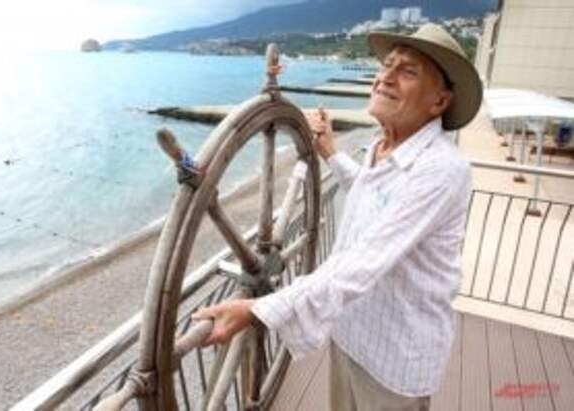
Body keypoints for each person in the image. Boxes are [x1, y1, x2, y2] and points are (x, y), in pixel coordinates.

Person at [192, 23, 482, 411]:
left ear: (440, 101)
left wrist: (259, 309)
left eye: (408, 71)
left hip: (396, 355)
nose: (386, 77)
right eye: (387, 65)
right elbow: (373, 194)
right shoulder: (382, 147)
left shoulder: (441, 169)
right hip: (352, 332)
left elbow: (367, 258)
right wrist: (330, 152)